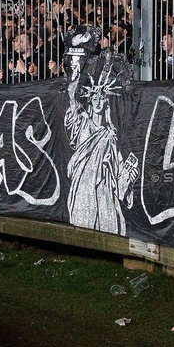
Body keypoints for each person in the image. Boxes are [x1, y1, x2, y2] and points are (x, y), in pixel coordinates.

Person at [64, 26, 139, 236]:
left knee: (108, 217)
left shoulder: (110, 133)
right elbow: (72, 101)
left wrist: (126, 175)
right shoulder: (82, 121)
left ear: (106, 102)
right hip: (83, 185)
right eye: (93, 97)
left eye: (101, 97)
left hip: (105, 188)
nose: (97, 100)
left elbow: (116, 170)